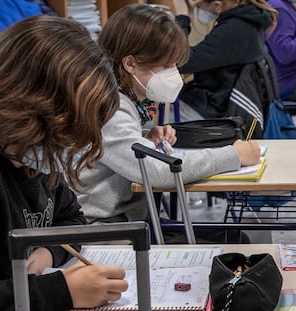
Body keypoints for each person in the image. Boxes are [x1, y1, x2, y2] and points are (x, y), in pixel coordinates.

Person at [0, 15, 128, 311]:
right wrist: (59, 292)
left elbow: (71, 221)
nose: (77, 142)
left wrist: (47, 253)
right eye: (69, 127)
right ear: (30, 111)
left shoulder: (32, 155)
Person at [76, 4, 261, 243]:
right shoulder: (110, 106)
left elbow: (117, 149)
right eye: (164, 66)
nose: (172, 74)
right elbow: (156, 172)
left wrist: (144, 137)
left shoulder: (124, 99)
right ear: (130, 63)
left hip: (130, 221)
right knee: (233, 243)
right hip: (107, 231)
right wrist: (232, 156)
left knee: (235, 239)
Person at [171, 0, 277, 122]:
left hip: (211, 111)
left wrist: (182, 19)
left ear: (217, 6)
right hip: (216, 103)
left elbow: (180, 61)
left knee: (151, 124)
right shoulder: (250, 20)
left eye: (199, 6)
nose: (197, 9)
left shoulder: (236, 29)